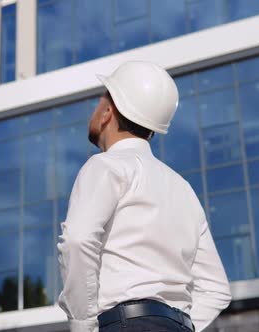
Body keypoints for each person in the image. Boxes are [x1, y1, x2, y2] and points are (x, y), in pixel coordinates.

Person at [57, 61, 231, 332]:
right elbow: (217, 289)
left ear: (107, 113)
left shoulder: (104, 166)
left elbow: (78, 241)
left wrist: (83, 327)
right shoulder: (183, 188)